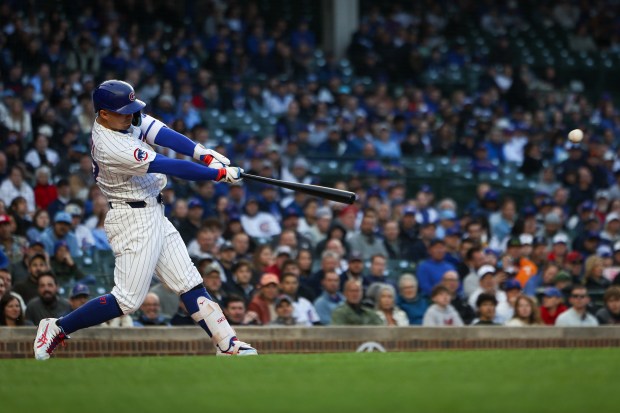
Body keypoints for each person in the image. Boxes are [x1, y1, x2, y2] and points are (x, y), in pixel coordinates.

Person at [34, 80, 256, 360]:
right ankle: (56, 327)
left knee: (188, 282)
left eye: (131, 108)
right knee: (127, 299)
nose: (131, 115)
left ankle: (228, 344)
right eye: (123, 111)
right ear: (103, 113)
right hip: (131, 218)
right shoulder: (110, 145)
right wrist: (217, 174)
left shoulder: (122, 118)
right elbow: (167, 164)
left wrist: (203, 153)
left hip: (153, 210)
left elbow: (159, 131)